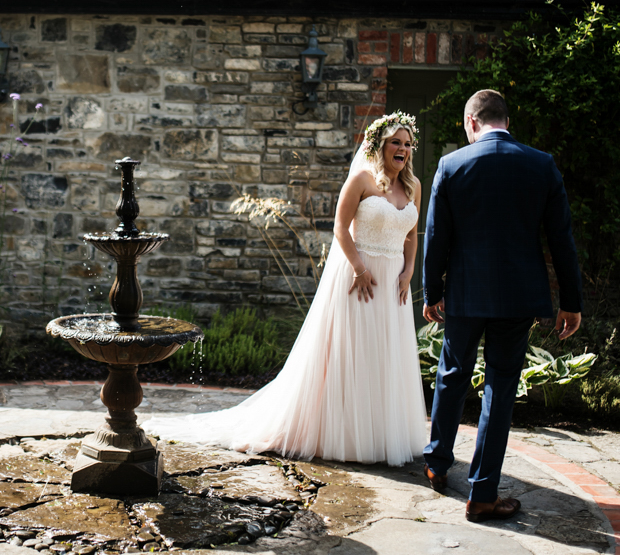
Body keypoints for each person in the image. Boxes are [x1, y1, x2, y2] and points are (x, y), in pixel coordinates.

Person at [143, 111, 427, 466]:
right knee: (351, 353)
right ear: (380, 146)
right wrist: (358, 268)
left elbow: (412, 235)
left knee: (385, 355)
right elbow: (340, 228)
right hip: (360, 278)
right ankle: (345, 435)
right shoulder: (362, 179)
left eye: (406, 144)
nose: (402, 149)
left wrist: (409, 271)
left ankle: (381, 433)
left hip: (393, 284)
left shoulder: (413, 187)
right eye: (395, 143)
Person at [422, 89, 582, 522]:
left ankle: (437, 462)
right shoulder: (540, 164)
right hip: (516, 296)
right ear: (505, 120)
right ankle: (483, 493)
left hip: (465, 295)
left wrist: (430, 292)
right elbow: (561, 239)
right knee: (501, 387)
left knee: (452, 373)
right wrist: (570, 300)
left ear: (472, 122)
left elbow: (436, 237)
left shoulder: (451, 165)